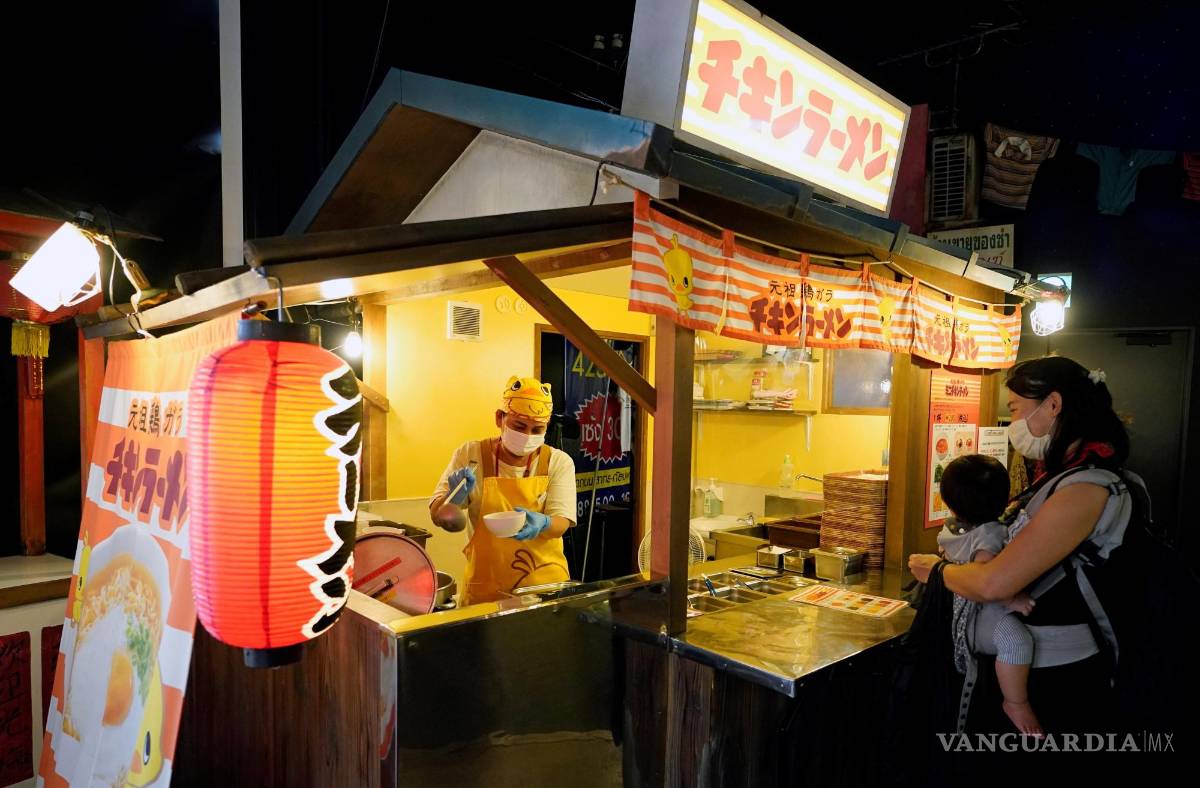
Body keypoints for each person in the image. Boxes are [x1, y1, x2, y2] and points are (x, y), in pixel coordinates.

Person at [908, 356, 1134, 738]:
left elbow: (995, 584)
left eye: (1015, 409)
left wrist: (938, 571)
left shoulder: (1085, 488)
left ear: (1054, 404)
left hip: (1056, 680)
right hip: (1030, 667)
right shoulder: (1060, 477)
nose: (1012, 422)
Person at [429, 376, 576, 605]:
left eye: (537, 429)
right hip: (486, 589)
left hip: (544, 588)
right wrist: (452, 499)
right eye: (519, 426)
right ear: (500, 418)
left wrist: (543, 523)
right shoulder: (471, 455)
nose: (527, 436)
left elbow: (562, 522)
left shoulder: (558, 462)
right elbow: (439, 517)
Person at [936, 454, 1039, 734]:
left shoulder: (951, 528)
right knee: (1017, 641)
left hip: (958, 610)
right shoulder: (990, 533)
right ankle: (1015, 701)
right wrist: (1012, 599)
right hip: (981, 614)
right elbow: (986, 579)